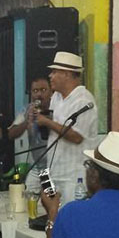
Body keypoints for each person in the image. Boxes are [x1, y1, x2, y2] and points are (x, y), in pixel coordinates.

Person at [40, 51, 98, 205]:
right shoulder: (56, 97)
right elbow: (53, 131)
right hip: (53, 171)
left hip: (74, 177)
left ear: (66, 74)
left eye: (54, 72)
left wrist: (46, 122)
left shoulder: (83, 100)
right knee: (51, 216)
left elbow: (76, 137)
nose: (50, 76)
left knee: (70, 217)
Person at [7, 77, 53, 191]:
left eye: (43, 90)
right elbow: (11, 134)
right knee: (28, 197)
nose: (39, 95)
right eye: (35, 91)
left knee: (50, 197)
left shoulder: (58, 108)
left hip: (55, 167)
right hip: (38, 167)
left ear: (51, 92)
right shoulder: (27, 110)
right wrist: (26, 122)